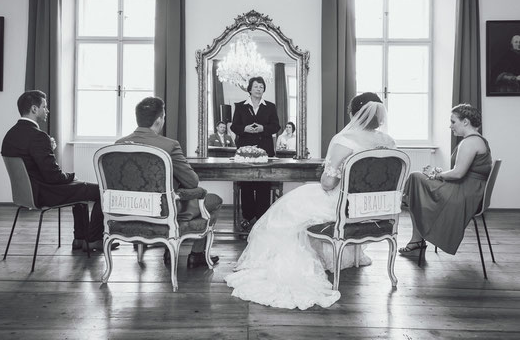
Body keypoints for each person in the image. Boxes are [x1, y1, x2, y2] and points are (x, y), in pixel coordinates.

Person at [225, 92, 396, 310]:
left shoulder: (345, 140)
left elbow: (327, 184)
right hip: (376, 208)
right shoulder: (389, 142)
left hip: (344, 206)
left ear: (354, 114)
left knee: (289, 208)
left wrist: (327, 173)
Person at [116, 97, 222, 268]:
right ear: (159, 120)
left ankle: (169, 247)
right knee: (214, 200)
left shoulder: (119, 144)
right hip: (161, 211)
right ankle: (196, 255)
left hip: (128, 211)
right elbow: (192, 181)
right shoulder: (169, 145)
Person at [1, 90, 111, 251]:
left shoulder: (10, 135)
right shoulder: (38, 136)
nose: (47, 111)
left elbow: (32, 165)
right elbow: (54, 176)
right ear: (33, 109)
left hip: (27, 194)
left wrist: (48, 149)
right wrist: (71, 176)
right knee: (101, 191)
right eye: (44, 107)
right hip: (44, 193)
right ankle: (93, 239)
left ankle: (80, 239)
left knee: (79, 189)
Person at [399, 104, 492, 256]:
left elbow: (458, 174)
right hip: (468, 190)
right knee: (416, 184)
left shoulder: (470, 142)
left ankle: (416, 238)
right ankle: (416, 236)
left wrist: (435, 176)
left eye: (453, 122)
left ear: (466, 122)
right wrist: (439, 173)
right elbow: (464, 172)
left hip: (464, 194)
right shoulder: (477, 140)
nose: (450, 126)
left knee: (415, 179)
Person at [230, 76, 280, 229]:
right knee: (246, 184)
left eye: (261, 87)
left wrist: (263, 128)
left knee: (263, 184)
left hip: (265, 150)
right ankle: (247, 216)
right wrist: (244, 129)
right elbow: (234, 126)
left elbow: (276, 126)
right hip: (245, 150)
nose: (259, 89)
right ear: (249, 89)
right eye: (256, 86)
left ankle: (262, 218)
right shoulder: (240, 106)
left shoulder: (270, 106)